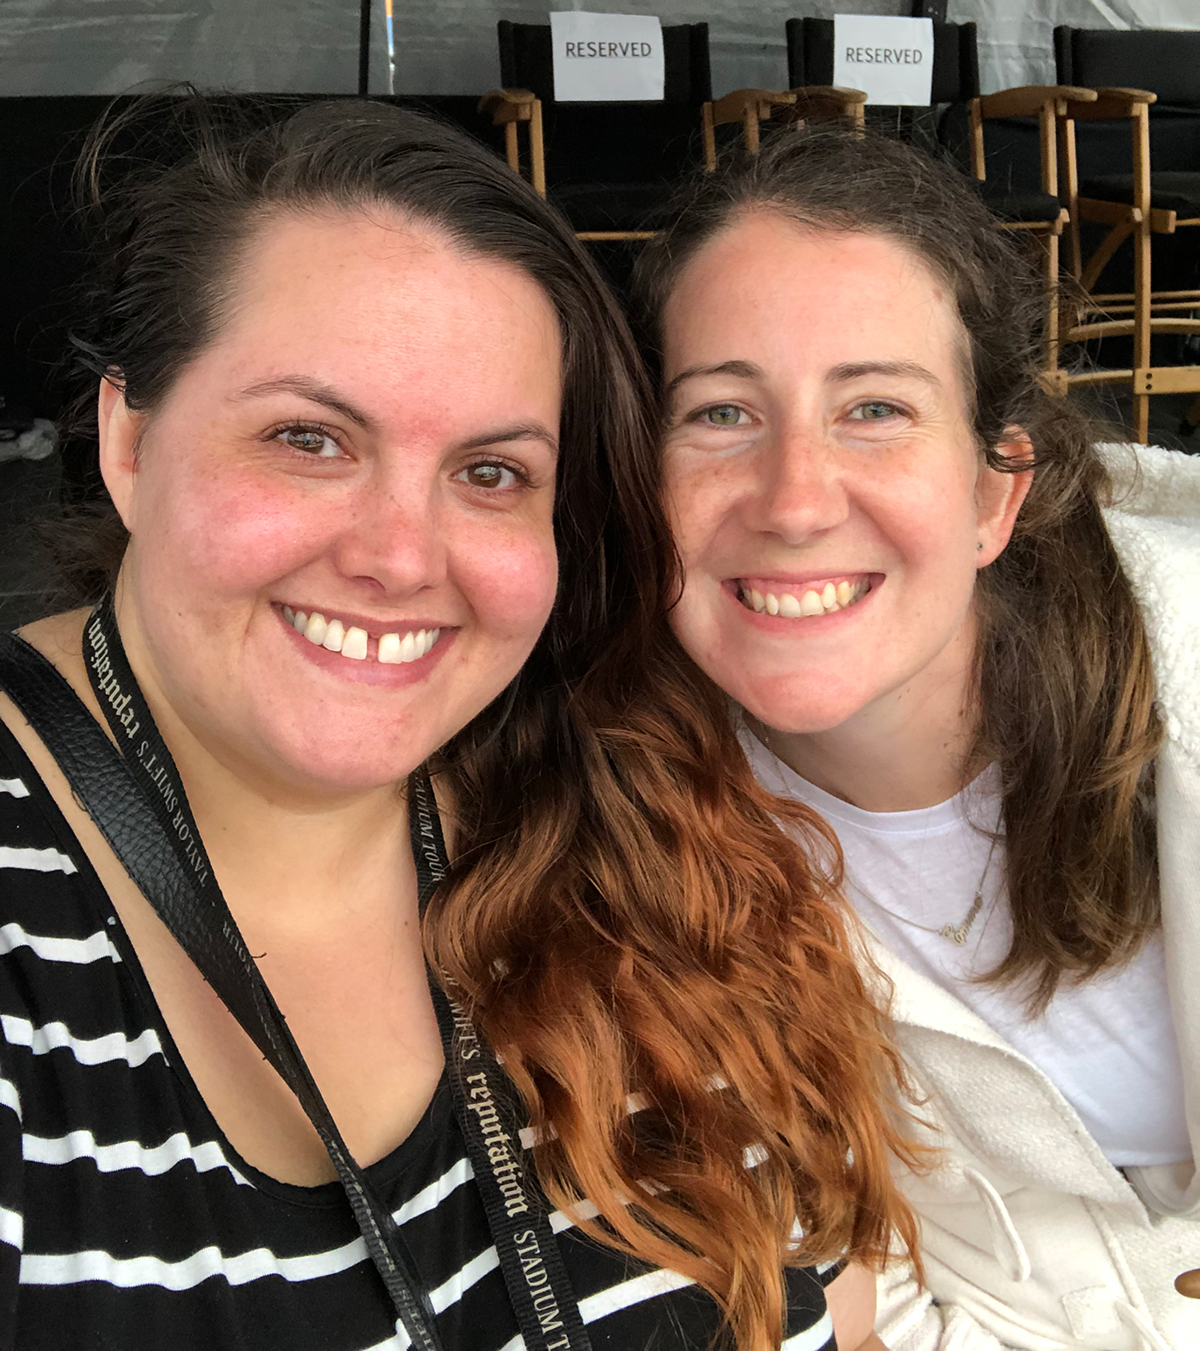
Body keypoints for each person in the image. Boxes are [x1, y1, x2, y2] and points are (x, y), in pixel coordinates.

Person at [0, 97, 916, 1351]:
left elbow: (835, 1307)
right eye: (308, 439)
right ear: (130, 440)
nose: (398, 556)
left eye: (491, 473)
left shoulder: (637, 831)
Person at [630, 123, 1200, 1351]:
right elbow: (851, 1314)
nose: (794, 499)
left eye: (875, 407)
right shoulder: (626, 850)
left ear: (998, 489)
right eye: (723, 411)